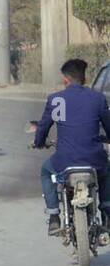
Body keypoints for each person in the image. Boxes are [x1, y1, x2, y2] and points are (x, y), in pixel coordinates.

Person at [33, 58, 110, 235]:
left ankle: (53, 217)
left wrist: (38, 143)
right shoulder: (98, 99)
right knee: (107, 171)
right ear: (84, 78)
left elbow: (43, 126)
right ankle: (107, 211)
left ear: (65, 80)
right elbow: (108, 126)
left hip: (64, 161)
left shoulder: (55, 99)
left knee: (46, 171)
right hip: (94, 159)